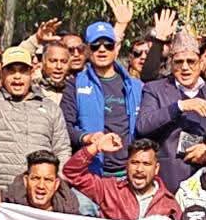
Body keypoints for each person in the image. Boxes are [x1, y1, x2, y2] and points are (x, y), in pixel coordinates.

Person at [0, 38, 70, 188]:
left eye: (23, 71)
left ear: (32, 73)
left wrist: (58, 185)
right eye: (11, 70)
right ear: (2, 74)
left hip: (39, 191)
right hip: (0, 189)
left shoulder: (51, 108)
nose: (17, 76)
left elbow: (62, 150)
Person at [138, 29, 206, 190]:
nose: (185, 67)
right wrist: (180, 106)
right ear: (171, 64)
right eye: (179, 62)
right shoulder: (155, 89)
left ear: (201, 63)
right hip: (169, 180)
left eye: (191, 61)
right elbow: (143, 125)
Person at [62, 16, 144, 180]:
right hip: (91, 175)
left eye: (108, 45)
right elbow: (64, 127)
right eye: (95, 46)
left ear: (116, 49)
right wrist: (88, 138)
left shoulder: (136, 86)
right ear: (87, 50)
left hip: (128, 177)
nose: (102, 50)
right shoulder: (75, 85)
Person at [62, 135, 179, 220]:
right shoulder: (108, 189)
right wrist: (96, 147)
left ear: (156, 168)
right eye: (134, 162)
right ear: (126, 165)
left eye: (146, 164)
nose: (139, 169)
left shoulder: (169, 203)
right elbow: (71, 172)